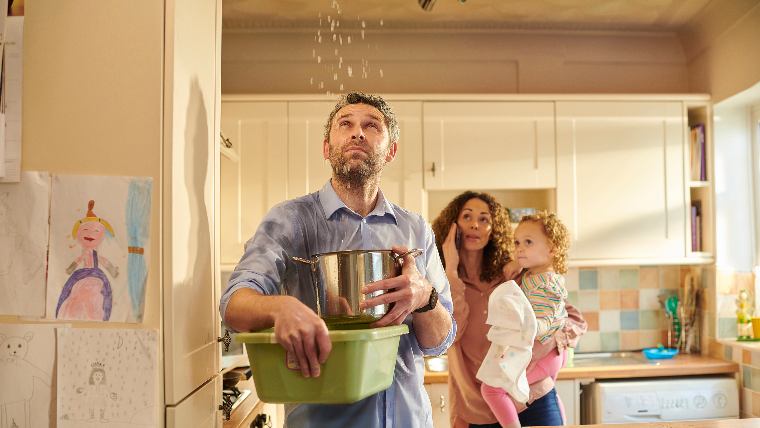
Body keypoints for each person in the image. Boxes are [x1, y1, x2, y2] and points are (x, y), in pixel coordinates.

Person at [220, 92, 455, 427]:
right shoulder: (292, 220)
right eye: (346, 124)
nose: (357, 132)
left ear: (391, 151)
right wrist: (281, 307)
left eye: (372, 125)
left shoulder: (415, 229)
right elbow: (233, 305)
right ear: (327, 148)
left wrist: (425, 297)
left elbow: (439, 342)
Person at [431, 193, 586, 428]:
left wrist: (546, 341)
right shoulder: (440, 283)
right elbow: (451, 334)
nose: (475, 224)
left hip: (532, 398)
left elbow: (572, 318)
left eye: (484, 219)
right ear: (452, 226)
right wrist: (451, 272)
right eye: (467, 217)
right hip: (477, 410)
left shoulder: (512, 273)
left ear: (495, 229)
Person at [479, 211, 571, 428]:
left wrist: (535, 328)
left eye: (528, 242)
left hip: (545, 352)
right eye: (517, 242)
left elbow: (551, 316)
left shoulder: (546, 283)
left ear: (552, 249)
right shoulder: (534, 276)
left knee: (491, 389)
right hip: (548, 354)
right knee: (543, 388)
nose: (520, 248)